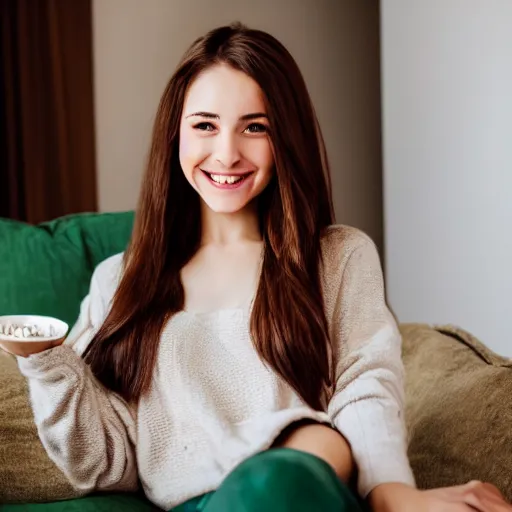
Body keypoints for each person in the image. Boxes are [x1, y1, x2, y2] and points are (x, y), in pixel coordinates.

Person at [15, 23, 512, 512]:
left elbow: (367, 389)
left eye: (256, 127)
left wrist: (394, 495)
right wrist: (46, 363)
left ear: (285, 140)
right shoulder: (121, 282)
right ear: (175, 136)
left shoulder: (338, 257)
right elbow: (106, 463)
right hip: (211, 501)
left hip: (304, 486)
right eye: (205, 125)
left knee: (282, 475)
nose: (227, 153)